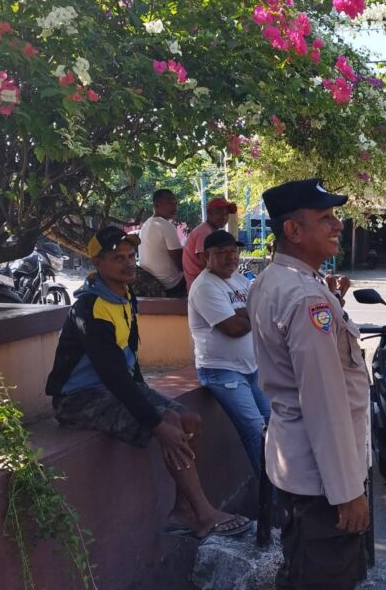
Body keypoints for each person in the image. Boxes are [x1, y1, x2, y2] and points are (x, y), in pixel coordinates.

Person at [45, 226, 250, 540]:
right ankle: (205, 514)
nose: (129, 263)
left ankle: (183, 510)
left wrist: (146, 393)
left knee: (190, 419)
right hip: (77, 398)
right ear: (97, 263)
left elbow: (130, 361)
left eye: (131, 256)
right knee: (168, 422)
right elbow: (113, 375)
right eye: (118, 258)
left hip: (112, 388)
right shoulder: (90, 308)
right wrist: (155, 423)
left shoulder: (125, 296)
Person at [248, 178, 369, 590]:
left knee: (301, 569)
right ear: (293, 230)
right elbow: (324, 403)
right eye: (325, 217)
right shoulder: (305, 298)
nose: (338, 225)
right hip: (322, 482)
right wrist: (347, 492)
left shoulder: (276, 280)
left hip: (303, 468)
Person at [188, 229, 269, 471]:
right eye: (222, 252)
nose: (231, 257)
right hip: (222, 371)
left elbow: (263, 308)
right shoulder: (205, 286)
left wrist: (246, 313)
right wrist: (251, 313)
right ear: (206, 257)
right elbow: (232, 328)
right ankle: (271, 492)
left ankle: (280, 485)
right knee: (255, 429)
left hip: (251, 368)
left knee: (274, 424)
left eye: (234, 251)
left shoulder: (239, 280)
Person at [139, 189, 186, 297]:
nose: (174, 207)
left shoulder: (146, 224)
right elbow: (181, 262)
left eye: (175, 203)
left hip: (151, 282)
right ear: (157, 205)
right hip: (171, 284)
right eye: (170, 203)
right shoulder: (165, 225)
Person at [183, 197, 237, 289]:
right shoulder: (204, 232)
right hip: (200, 285)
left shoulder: (209, 230)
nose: (224, 217)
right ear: (209, 213)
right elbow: (206, 264)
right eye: (219, 213)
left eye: (226, 214)